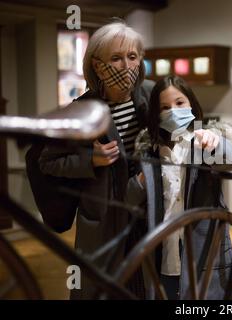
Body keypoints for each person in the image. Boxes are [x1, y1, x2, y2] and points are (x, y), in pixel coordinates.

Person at [38, 21, 154, 299]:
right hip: (103, 219)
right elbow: (47, 161)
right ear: (97, 65)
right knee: (99, 290)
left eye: (132, 56)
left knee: (147, 286)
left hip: (148, 213)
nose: (126, 65)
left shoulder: (152, 95)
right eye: (115, 58)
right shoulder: (81, 110)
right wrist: (90, 159)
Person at [130, 75, 232, 299]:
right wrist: (142, 179)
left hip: (202, 252)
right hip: (164, 252)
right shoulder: (150, 152)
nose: (173, 111)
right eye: (164, 107)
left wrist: (215, 141)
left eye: (179, 103)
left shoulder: (203, 141)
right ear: (156, 113)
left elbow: (231, 159)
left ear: (191, 103)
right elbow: (130, 198)